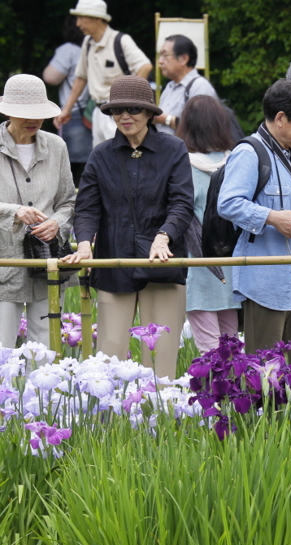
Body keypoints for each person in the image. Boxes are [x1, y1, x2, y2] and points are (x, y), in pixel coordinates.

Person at [64, 76, 192, 379]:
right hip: (114, 262)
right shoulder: (101, 154)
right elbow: (86, 208)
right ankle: (111, 422)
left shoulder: (174, 149)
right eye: (117, 110)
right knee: (108, 353)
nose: (125, 116)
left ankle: (160, 420)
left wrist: (164, 236)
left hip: (162, 263)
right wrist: (84, 243)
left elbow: (182, 203)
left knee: (160, 355)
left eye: (133, 109)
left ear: (149, 113)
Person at [217, 78, 291, 360]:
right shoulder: (250, 152)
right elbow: (228, 203)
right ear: (281, 118)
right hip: (266, 283)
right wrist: (272, 218)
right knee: (264, 374)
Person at [0, 75, 77, 350]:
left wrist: (56, 223)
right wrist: (13, 212)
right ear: (8, 111)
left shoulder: (57, 146)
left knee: (44, 351)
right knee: (2, 351)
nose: (33, 120)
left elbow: (68, 201)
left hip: (46, 260)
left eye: (39, 114)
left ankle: (40, 397)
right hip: (3, 264)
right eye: (25, 114)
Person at [176, 95, 241, 354]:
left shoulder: (182, 164)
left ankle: (213, 395)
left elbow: (181, 215)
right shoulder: (235, 160)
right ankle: (235, 395)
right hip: (232, 265)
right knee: (232, 347)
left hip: (198, 267)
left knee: (210, 353)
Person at [54, 0, 152, 148]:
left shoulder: (121, 41)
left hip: (119, 112)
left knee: (120, 157)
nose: (78, 24)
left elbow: (145, 66)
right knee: (101, 159)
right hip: (98, 112)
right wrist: (66, 110)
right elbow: (81, 77)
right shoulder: (88, 43)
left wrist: (129, 100)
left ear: (97, 18)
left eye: (81, 18)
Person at [42, 15, 91, 183]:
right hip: (95, 113)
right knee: (90, 165)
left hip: (74, 114)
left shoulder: (69, 50)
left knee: (70, 167)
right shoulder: (96, 48)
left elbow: (50, 77)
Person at [153, 35, 218, 136]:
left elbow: (202, 128)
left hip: (189, 151)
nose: (160, 61)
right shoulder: (169, 86)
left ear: (183, 59)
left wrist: (165, 119)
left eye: (165, 55)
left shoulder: (200, 86)